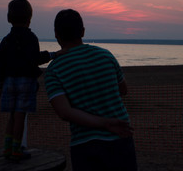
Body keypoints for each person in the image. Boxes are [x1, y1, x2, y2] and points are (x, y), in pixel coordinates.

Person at [45, 9, 137, 171]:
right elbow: (123, 90)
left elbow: (64, 112)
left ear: (56, 34)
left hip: (85, 143)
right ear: (82, 31)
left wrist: (104, 123)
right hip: (121, 136)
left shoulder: (54, 69)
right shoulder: (105, 55)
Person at [0, 0, 61, 161]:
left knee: (11, 116)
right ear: (29, 18)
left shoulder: (6, 40)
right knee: (20, 116)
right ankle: (17, 149)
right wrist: (53, 55)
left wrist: (0, 83)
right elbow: (35, 59)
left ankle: (7, 147)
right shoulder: (31, 38)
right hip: (25, 83)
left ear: (9, 18)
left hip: (8, 82)